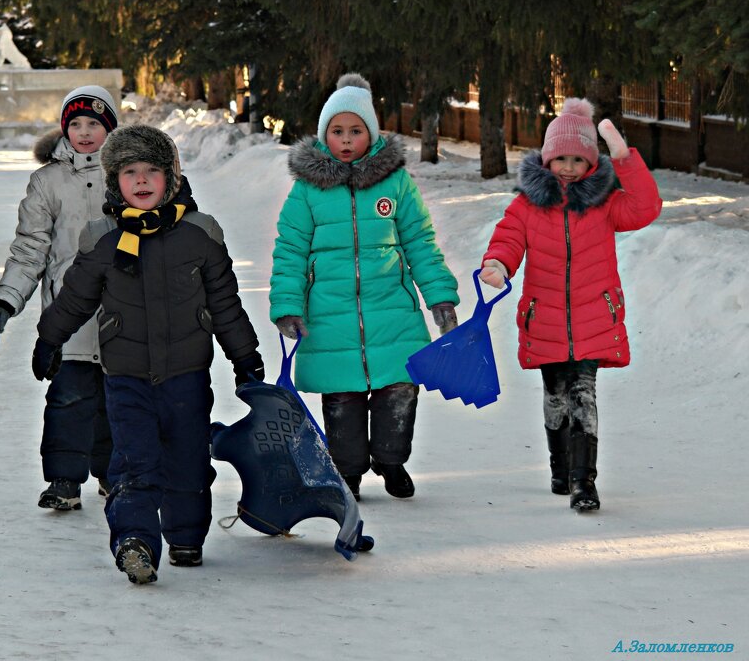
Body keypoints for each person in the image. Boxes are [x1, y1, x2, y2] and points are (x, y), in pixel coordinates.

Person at [33, 124, 264, 584]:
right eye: (130, 172)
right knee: (134, 461)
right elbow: (75, 298)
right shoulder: (102, 238)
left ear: (171, 177)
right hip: (126, 376)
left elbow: (224, 304)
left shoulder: (201, 234)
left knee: (189, 459)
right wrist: (50, 338)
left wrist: (245, 357)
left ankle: (185, 537)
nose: (141, 180)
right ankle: (134, 541)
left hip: (187, 373)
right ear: (114, 180)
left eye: (152, 170)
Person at [270, 73, 459, 502]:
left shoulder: (395, 184)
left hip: (393, 311)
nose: (347, 139)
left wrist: (440, 297)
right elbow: (290, 250)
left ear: (371, 134)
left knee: (399, 393)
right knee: (343, 403)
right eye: (337, 131)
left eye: (356, 131)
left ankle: (392, 461)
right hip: (331, 318)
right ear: (324, 136)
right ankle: (349, 472)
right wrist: (287, 304)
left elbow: (420, 243)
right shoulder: (307, 191)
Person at [479, 97, 661, 512]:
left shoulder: (605, 204)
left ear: (592, 163)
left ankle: (585, 482)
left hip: (593, 318)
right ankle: (560, 468)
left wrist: (623, 156)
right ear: (546, 160)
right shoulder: (528, 204)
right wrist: (498, 264)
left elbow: (646, 207)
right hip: (545, 322)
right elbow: (508, 237)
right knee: (555, 396)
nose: (567, 167)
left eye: (577, 159)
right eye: (559, 158)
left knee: (583, 395)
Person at [0, 85, 119, 511]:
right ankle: (64, 480)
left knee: (118, 400)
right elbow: (30, 248)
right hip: (69, 314)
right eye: (75, 124)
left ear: (110, 129)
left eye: (94, 124)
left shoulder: (129, 174)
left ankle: (113, 474)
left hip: (124, 311)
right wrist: (7, 300)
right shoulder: (48, 182)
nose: (83, 132)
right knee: (70, 398)